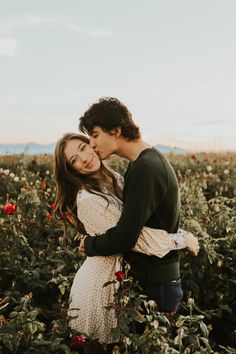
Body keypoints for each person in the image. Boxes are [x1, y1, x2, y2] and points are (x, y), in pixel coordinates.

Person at [54, 133, 199, 354]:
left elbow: (138, 223)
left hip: (122, 279)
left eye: (83, 148)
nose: (83, 158)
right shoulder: (88, 200)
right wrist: (182, 238)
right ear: (71, 171)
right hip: (99, 287)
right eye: (73, 160)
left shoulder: (114, 177)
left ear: (92, 145)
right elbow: (134, 239)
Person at [79, 97, 198, 315]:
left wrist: (89, 244)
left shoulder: (147, 168)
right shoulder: (141, 163)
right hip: (155, 277)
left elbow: (126, 237)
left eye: (94, 135)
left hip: (156, 282)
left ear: (115, 130)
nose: (92, 144)